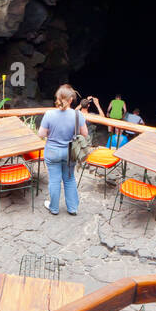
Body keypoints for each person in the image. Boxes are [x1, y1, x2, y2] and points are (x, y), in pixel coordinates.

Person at [38, 85, 88, 216]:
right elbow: (85, 134)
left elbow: (41, 134)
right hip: (70, 152)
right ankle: (72, 208)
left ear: (57, 98)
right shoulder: (78, 115)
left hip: (52, 152)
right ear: (71, 99)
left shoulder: (49, 114)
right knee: (69, 179)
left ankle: (54, 208)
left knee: (54, 180)